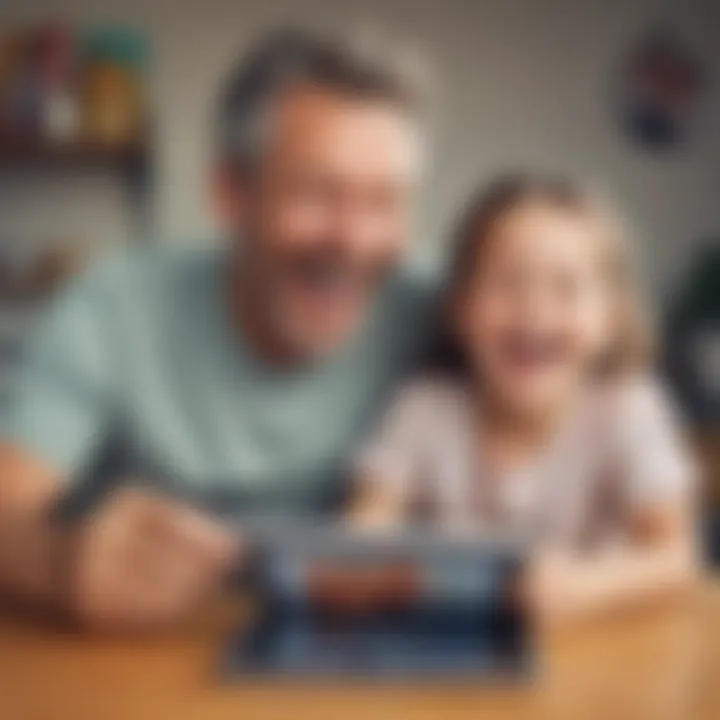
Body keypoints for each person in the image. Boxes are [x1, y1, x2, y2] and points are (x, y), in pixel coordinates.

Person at [0, 29, 435, 628]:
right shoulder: (113, 307)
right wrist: (59, 565)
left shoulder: (442, 311)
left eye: (384, 201)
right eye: (317, 192)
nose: (354, 240)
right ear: (231, 193)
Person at [350, 174, 697, 624]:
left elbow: (675, 557)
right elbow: (368, 522)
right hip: (451, 647)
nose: (534, 309)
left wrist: (588, 586)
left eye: (566, 286)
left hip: (589, 643)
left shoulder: (627, 408)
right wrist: (370, 566)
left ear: (610, 318)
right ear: (460, 308)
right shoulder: (425, 408)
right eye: (507, 282)